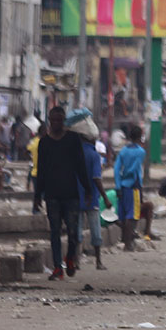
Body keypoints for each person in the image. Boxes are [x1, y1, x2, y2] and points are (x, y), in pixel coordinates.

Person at [37, 106, 89, 279]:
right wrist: (37, 195)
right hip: (52, 195)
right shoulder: (44, 142)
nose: (57, 123)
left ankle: (70, 257)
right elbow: (41, 170)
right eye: (54, 120)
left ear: (64, 120)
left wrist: (87, 188)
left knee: (73, 232)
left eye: (60, 120)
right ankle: (58, 267)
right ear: (49, 121)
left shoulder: (73, 139)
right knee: (55, 232)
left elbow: (81, 166)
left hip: (71, 193)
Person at [113, 125, 146, 252]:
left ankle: (125, 239)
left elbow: (117, 169)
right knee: (131, 215)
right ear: (139, 137)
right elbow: (136, 170)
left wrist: (118, 185)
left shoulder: (123, 151)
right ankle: (128, 243)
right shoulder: (141, 152)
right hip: (133, 186)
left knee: (123, 213)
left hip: (122, 185)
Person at [78, 129, 107, 269]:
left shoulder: (75, 154)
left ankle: (75, 261)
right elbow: (96, 178)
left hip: (76, 196)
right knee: (95, 229)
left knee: (76, 230)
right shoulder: (94, 155)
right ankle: (99, 262)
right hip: (92, 197)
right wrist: (105, 197)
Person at [27, 125, 43, 213]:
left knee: (37, 192)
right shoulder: (43, 142)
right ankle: (36, 209)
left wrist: (32, 157)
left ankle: (35, 209)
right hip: (41, 171)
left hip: (34, 170)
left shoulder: (33, 141)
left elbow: (27, 151)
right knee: (41, 193)